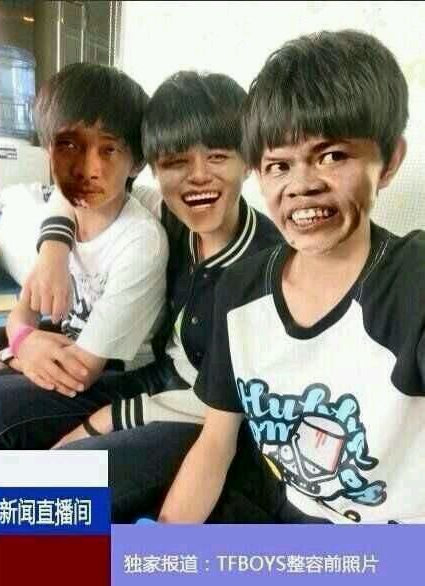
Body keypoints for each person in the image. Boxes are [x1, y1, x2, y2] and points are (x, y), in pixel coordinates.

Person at [157, 30, 425, 525]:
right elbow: (215, 443)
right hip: (281, 512)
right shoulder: (240, 290)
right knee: (67, 523)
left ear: (389, 161)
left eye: (333, 156)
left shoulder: (413, 283)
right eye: (279, 165)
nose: (301, 185)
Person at [0, 63, 168, 448]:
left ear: (136, 161)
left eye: (108, 149)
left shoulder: (140, 242)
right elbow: (21, 314)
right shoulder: (61, 219)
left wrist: (18, 352)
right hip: (67, 353)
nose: (88, 169)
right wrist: (23, 342)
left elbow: (83, 371)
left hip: (117, 379)